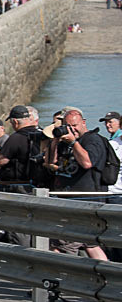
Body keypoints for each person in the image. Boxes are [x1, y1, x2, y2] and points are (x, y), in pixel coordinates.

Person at [49, 110, 108, 260]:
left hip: (84, 201)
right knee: (92, 246)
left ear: (84, 122)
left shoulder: (93, 140)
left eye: (74, 125)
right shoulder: (64, 141)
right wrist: (55, 140)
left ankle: (60, 278)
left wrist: (74, 143)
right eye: (68, 126)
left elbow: (87, 163)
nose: (72, 129)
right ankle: (108, 277)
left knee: (62, 247)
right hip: (68, 200)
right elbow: (51, 163)